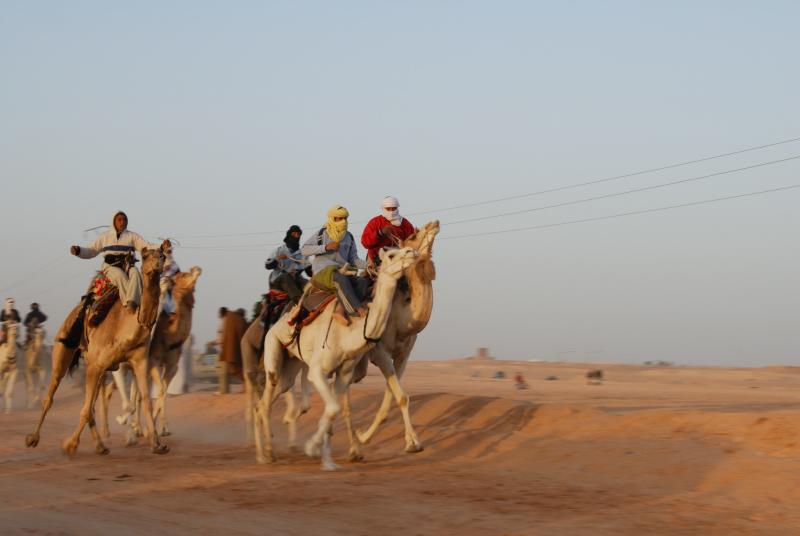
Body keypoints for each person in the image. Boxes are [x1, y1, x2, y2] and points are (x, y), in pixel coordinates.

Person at [70, 211, 169, 313]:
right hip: (111, 267)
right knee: (120, 276)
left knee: (135, 272)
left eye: (125, 219)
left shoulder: (132, 236)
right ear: (114, 222)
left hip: (128, 266)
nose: (123, 222)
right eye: (120, 220)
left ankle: (133, 302)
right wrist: (78, 251)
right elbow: (91, 251)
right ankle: (127, 302)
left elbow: (147, 246)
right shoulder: (105, 237)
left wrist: (161, 246)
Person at [301, 205, 369, 326]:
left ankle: (340, 311)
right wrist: (325, 247)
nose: (343, 221)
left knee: (363, 282)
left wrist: (367, 265)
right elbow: (304, 250)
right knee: (340, 279)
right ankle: (359, 309)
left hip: (342, 270)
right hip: (322, 270)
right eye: (339, 218)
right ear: (333, 219)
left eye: (345, 218)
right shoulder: (321, 234)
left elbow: (353, 259)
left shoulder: (349, 237)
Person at [361, 196, 416, 267]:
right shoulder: (375, 222)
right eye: (388, 209)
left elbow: (411, 245)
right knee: (368, 276)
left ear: (397, 208)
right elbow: (365, 243)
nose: (391, 211)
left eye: (393, 208)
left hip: (400, 259)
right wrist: (380, 233)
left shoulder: (405, 224)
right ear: (383, 208)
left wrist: (416, 237)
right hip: (378, 258)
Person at [265, 225, 311, 303]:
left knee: (307, 284)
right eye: (294, 234)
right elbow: (268, 265)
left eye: (298, 235)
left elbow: (309, 271)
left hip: (296, 279)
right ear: (289, 235)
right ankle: (299, 300)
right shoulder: (279, 251)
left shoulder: (302, 254)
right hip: (280, 279)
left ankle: (313, 300)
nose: (296, 237)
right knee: (286, 277)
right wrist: (278, 259)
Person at [160, 244, 180, 319]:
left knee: (176, 295)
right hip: (161, 285)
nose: (168, 252)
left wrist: (174, 281)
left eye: (169, 251)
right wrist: (164, 269)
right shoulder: (160, 263)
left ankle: (172, 312)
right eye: (167, 251)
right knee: (165, 296)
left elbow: (179, 276)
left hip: (171, 286)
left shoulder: (175, 265)